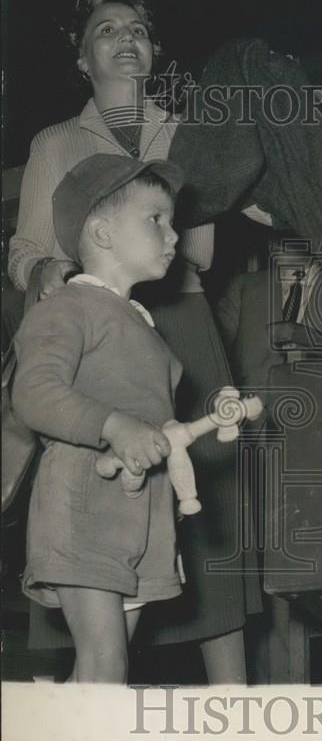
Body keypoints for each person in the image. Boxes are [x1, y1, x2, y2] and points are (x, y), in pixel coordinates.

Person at [8, 0, 261, 683]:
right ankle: (95, 692)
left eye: (140, 30)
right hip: (90, 324)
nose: (126, 39)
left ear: (154, 53)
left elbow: (200, 254)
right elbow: (25, 251)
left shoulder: (186, 133)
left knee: (206, 518)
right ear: (82, 58)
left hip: (178, 321)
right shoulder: (55, 142)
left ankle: (234, 706)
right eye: (107, 30)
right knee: (100, 513)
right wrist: (64, 273)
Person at [12, 155, 184, 683]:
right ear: (102, 231)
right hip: (84, 498)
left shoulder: (140, 322)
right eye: (155, 219)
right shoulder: (68, 307)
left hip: (143, 508)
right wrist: (114, 425)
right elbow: (34, 394)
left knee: (105, 672)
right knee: (106, 666)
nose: (173, 235)